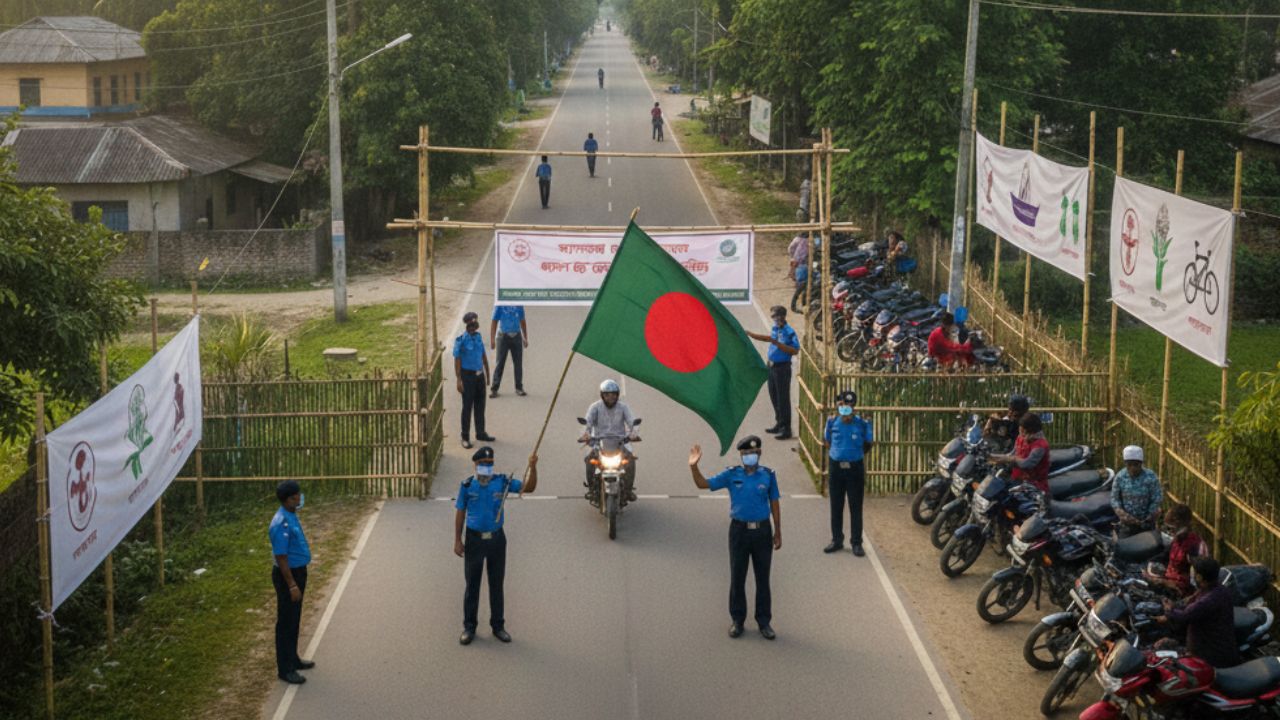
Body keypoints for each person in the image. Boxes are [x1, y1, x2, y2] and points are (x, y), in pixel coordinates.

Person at [688, 436, 782, 640]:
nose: (750, 457)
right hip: (739, 531)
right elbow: (703, 484)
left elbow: (774, 502)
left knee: (763, 579)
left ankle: (764, 621)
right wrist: (694, 467)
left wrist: (778, 532)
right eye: (746, 454)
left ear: (760, 454)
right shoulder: (732, 475)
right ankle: (737, 620)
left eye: (753, 453)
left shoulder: (768, 475)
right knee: (737, 577)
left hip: (762, 531)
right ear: (741, 455)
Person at [454, 446, 539, 645]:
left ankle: (498, 626)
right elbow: (460, 512)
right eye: (483, 464)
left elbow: (529, 487)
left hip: (497, 540)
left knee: (496, 585)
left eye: (490, 464)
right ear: (475, 465)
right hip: (474, 540)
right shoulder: (467, 486)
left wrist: (533, 467)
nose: (487, 467)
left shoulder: (502, 482)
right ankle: (469, 627)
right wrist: (458, 540)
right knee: (472, 585)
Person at [1157, 556, 1240, 668]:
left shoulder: (1210, 599)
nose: (1191, 575)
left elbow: (1185, 616)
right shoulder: (1214, 589)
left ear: (1200, 577)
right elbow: (1189, 601)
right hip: (1208, 648)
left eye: (1193, 573)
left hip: (1211, 656)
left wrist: (1169, 610)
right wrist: (1174, 605)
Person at [270, 480, 314, 684]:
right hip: (288, 575)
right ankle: (285, 669)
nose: (300, 497)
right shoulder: (281, 523)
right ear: (289, 499)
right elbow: (281, 558)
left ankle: (293, 658)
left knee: (295, 618)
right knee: (286, 622)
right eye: (297, 495)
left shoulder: (291, 515)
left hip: (298, 571)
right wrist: (292, 585)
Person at [823, 390, 874, 557]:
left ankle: (856, 543)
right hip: (836, 466)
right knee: (836, 505)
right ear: (840, 405)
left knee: (855, 506)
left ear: (854, 407)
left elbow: (868, 442)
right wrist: (839, 454)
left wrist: (853, 455)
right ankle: (837, 539)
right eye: (845, 404)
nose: (847, 408)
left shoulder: (862, 423)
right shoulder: (832, 422)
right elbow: (827, 441)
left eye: (851, 405)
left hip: (855, 468)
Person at [745, 306, 799, 440]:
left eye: (774, 316)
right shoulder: (775, 328)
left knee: (783, 399)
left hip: (782, 368)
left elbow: (795, 350)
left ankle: (786, 429)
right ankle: (779, 423)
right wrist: (751, 334)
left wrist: (778, 344)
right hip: (772, 367)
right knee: (774, 396)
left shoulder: (789, 331)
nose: (773, 319)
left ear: (781, 316)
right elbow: (769, 339)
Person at [581, 379, 639, 502]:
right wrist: (586, 434)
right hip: (599, 442)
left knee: (631, 461)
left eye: (613, 394)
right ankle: (591, 489)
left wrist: (633, 433)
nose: (610, 397)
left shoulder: (623, 407)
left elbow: (632, 422)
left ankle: (628, 491)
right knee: (589, 461)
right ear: (602, 395)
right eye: (607, 394)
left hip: (620, 441)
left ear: (617, 395)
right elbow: (587, 422)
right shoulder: (595, 407)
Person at [454, 311, 495, 449]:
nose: (473, 327)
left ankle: (480, 432)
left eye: (474, 325)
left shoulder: (478, 337)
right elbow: (457, 360)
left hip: (479, 376)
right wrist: (458, 380)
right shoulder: (461, 340)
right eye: (470, 325)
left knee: (480, 406)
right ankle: (465, 436)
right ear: (466, 325)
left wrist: (488, 375)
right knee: (467, 407)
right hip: (467, 377)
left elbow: (483, 356)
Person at [1147, 503, 1207, 597]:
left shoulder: (1194, 545)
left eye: (1170, 528)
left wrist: (1166, 582)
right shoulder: (1177, 540)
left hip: (1182, 591)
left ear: (1179, 524)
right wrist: (1151, 563)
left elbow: (1196, 581)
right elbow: (1165, 554)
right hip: (1170, 582)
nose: (1169, 532)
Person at [1111, 445, 1163, 537]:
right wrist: (1123, 514)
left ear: (1141, 463)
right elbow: (1115, 499)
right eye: (1129, 464)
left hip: (1147, 524)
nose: (1133, 468)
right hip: (1127, 525)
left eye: (1136, 464)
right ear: (1125, 463)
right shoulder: (1120, 477)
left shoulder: (1150, 476)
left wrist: (1150, 515)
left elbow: (1157, 497)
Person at [991, 413, 1050, 494]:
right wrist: (991, 456)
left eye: (1023, 431)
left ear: (1031, 431)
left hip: (1033, 487)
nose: (1021, 432)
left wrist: (1012, 459)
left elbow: (1027, 464)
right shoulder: (1021, 438)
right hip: (1017, 482)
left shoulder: (1040, 445)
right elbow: (1012, 454)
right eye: (1020, 430)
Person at [489, 305, 528, 398]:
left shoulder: (519, 305)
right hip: (503, 336)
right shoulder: (500, 305)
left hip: (516, 335)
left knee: (518, 363)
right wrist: (492, 339)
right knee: (500, 363)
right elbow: (494, 321)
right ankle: (494, 388)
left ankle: (519, 387)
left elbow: (522, 321)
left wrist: (525, 337)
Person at [787, 233, 810, 313]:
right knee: (804, 285)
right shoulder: (807, 242)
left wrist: (793, 257)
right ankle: (803, 305)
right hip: (803, 265)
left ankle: (801, 304)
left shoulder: (798, 239)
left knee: (801, 285)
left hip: (798, 264)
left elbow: (790, 249)